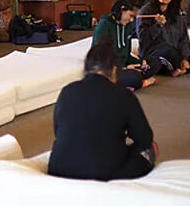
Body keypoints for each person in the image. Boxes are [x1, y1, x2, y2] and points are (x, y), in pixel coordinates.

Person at [48, 41, 157, 181]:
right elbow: (145, 138)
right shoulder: (123, 95)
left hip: (59, 169)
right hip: (104, 173)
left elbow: (58, 131)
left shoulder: (67, 91)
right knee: (150, 150)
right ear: (113, 70)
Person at [92, 0, 156, 91]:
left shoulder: (127, 26)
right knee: (134, 77)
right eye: (131, 16)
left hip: (123, 66)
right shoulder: (104, 25)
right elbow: (99, 58)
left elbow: (126, 54)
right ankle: (139, 82)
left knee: (154, 62)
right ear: (122, 9)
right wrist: (124, 68)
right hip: (108, 69)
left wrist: (140, 62)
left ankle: (130, 80)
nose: (131, 20)